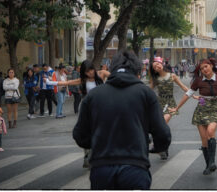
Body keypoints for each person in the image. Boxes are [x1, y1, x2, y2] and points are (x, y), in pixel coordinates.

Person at [73, 50, 171, 190]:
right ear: (138, 72)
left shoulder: (93, 95)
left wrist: (97, 142)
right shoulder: (146, 94)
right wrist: (158, 147)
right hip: (135, 166)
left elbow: (80, 135)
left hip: (101, 168)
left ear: (111, 69)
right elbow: (162, 133)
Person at [46, 60, 110, 168]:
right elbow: (67, 83)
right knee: (87, 132)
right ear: (84, 72)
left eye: (91, 70)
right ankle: (87, 154)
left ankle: (97, 155)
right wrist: (50, 82)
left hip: (101, 107)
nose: (90, 73)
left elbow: (116, 76)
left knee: (101, 132)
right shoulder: (83, 80)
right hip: (88, 108)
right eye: (87, 71)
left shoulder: (101, 73)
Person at [149, 57, 190, 160]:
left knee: (162, 123)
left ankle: (158, 145)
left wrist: (194, 95)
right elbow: (148, 91)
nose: (157, 66)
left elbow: (184, 87)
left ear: (162, 64)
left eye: (158, 64)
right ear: (154, 70)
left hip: (170, 103)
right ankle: (162, 147)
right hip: (159, 103)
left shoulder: (172, 76)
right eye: (154, 66)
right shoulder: (155, 79)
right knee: (161, 127)